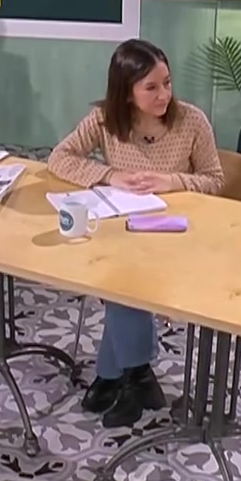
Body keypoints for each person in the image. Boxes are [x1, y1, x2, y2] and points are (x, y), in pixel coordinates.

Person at [48, 38, 225, 427]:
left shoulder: (191, 121)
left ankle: (119, 376)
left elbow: (215, 181)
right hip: (125, 231)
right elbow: (59, 158)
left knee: (121, 284)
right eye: (151, 87)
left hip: (178, 236)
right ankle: (135, 375)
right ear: (126, 93)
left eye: (167, 83)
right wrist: (109, 175)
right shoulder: (105, 120)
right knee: (119, 275)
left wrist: (172, 181)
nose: (164, 94)